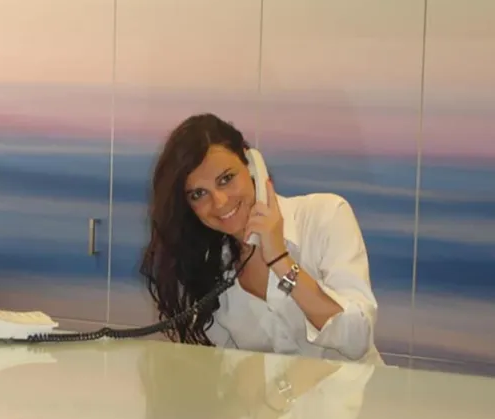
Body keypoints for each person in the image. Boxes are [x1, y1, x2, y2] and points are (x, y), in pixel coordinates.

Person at [140, 113, 383, 364]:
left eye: (226, 179)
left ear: (252, 166)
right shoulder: (209, 269)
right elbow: (226, 372)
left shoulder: (325, 216)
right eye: (199, 194)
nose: (219, 202)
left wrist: (280, 260)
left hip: (357, 390)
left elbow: (357, 341)